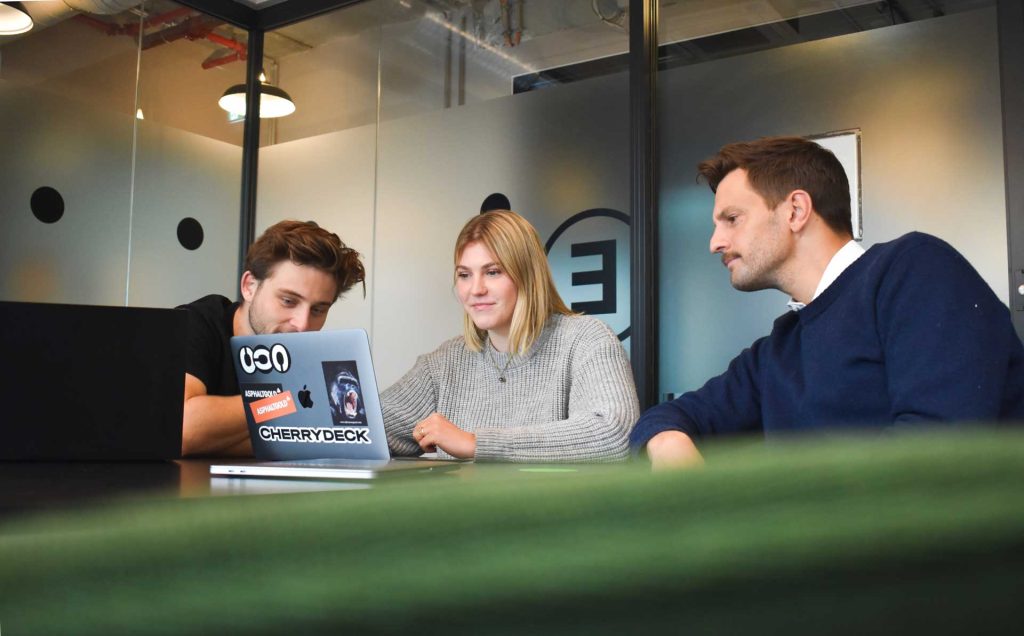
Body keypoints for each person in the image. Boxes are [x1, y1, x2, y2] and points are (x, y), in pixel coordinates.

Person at [630, 136, 1024, 469]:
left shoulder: (915, 270)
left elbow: (934, 456)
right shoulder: (778, 349)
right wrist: (669, 443)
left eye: (732, 219)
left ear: (796, 211)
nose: (715, 242)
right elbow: (665, 419)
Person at [382, 210, 639, 462]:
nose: (476, 289)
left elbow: (613, 434)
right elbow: (368, 427)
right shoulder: (445, 361)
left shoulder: (587, 339)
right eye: (464, 275)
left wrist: (475, 443)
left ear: (528, 276)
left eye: (493, 272)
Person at [179, 220, 365, 456]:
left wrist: (220, 437)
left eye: (318, 309)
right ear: (249, 286)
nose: (302, 325)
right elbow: (183, 429)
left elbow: (329, 441)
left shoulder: (310, 353)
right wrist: (289, 400)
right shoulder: (195, 323)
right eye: (288, 301)